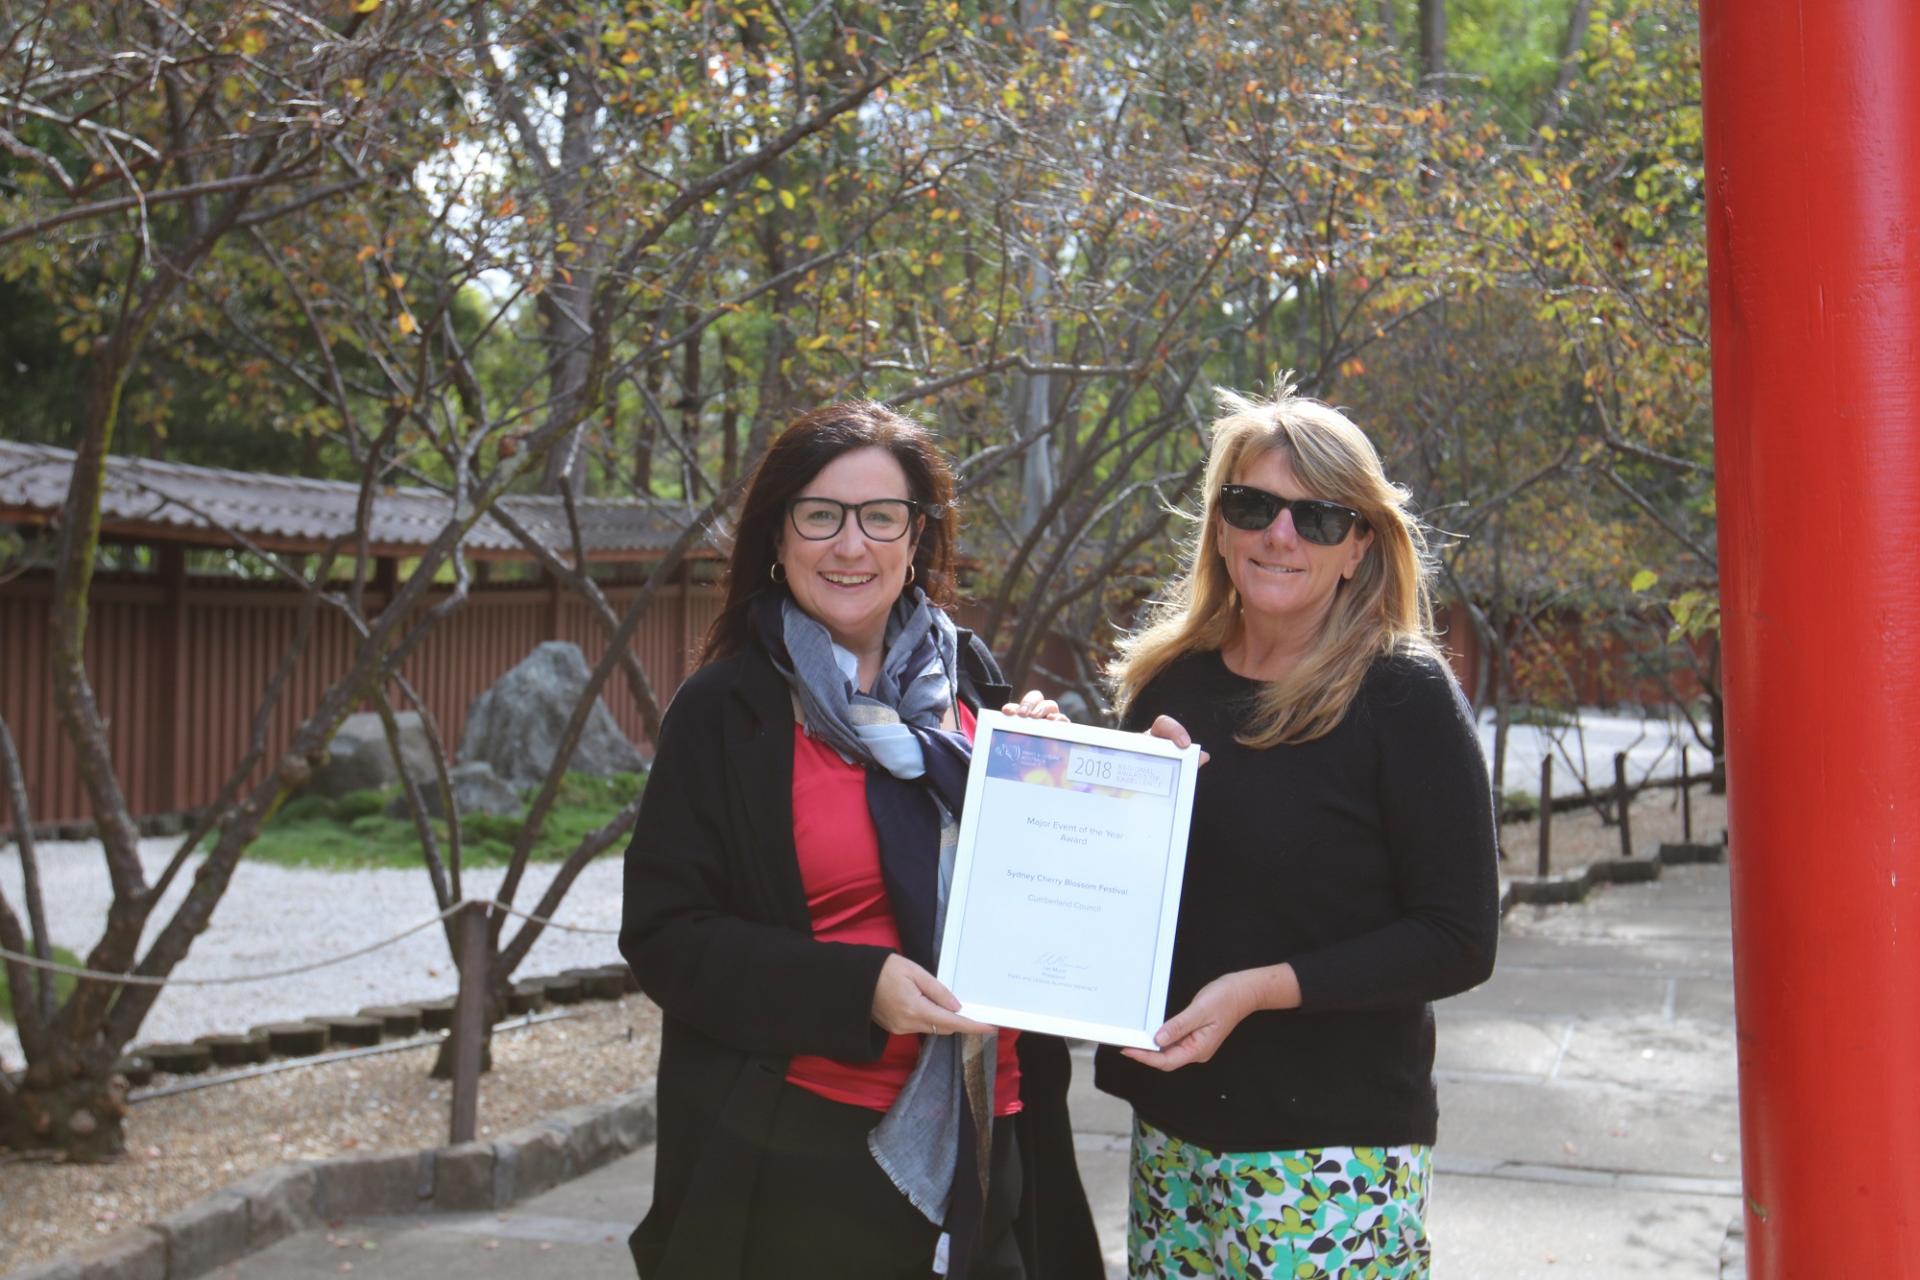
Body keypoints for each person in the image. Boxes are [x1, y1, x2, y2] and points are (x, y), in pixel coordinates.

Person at [619, 402, 1102, 1279]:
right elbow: (664, 938)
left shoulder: (974, 692)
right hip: (805, 1150)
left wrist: (1093, 775)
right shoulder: (727, 712)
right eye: (821, 515)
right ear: (778, 535)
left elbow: (1050, 896)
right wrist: (858, 987)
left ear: (917, 539)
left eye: (882, 517)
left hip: (995, 1128)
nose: (852, 545)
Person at [1097, 381, 1500, 1278]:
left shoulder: (1404, 695)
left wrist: (1256, 990)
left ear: (1361, 544)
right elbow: (1112, 893)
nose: (1281, 536)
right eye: (1253, 506)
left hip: (1328, 1151)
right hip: (1177, 1132)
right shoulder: (1172, 685)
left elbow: (1459, 938)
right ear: (1220, 524)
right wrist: (1080, 777)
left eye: (1318, 518)